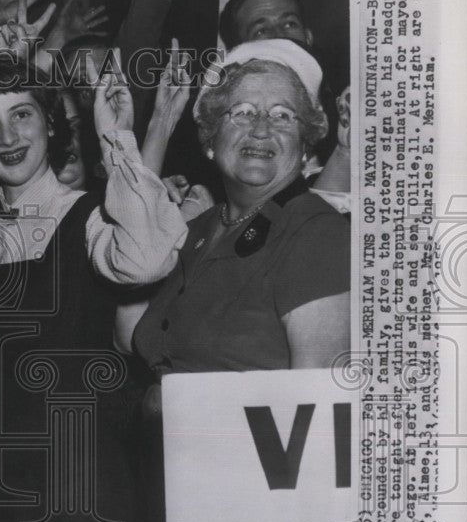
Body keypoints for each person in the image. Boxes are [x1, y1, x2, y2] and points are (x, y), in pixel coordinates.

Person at [0, 55, 188, 522]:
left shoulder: (89, 216)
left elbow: (145, 261)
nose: (7, 136)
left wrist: (115, 137)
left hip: (82, 490)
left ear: (51, 125)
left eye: (22, 115)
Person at [128, 39, 351, 405]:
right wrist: (161, 123)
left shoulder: (318, 235)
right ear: (211, 140)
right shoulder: (197, 228)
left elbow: (317, 410)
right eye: (243, 112)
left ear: (306, 145)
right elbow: (127, 332)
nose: (261, 129)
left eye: (283, 115)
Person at [219, 0, 352, 210]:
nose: (281, 37)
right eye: (261, 31)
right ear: (239, 51)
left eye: (290, 24)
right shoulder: (229, 133)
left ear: (308, 37)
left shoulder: (348, 112)